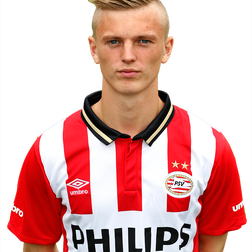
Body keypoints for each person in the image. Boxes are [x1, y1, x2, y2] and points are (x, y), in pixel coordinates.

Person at [6, 0, 248, 251]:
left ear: (167, 48)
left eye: (143, 41)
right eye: (114, 42)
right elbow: (37, 246)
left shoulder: (210, 146)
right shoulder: (49, 149)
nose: (128, 56)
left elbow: (213, 244)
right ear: (93, 49)